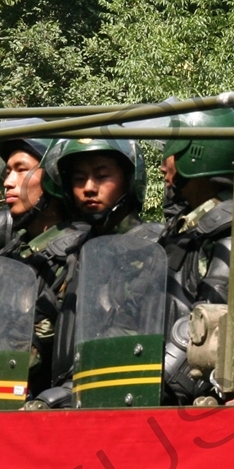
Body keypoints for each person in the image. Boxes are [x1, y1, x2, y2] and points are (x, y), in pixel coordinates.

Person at [26, 135, 150, 408]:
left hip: (126, 402)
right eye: (79, 178)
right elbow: (41, 329)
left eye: (102, 176)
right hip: (62, 402)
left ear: (129, 180)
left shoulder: (153, 250)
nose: (89, 188)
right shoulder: (69, 253)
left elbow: (129, 341)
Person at [158, 106, 234, 403]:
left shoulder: (233, 226)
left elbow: (213, 318)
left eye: (171, 151)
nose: (163, 166)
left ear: (197, 153)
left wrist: (160, 381)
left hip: (189, 392)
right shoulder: (187, 226)